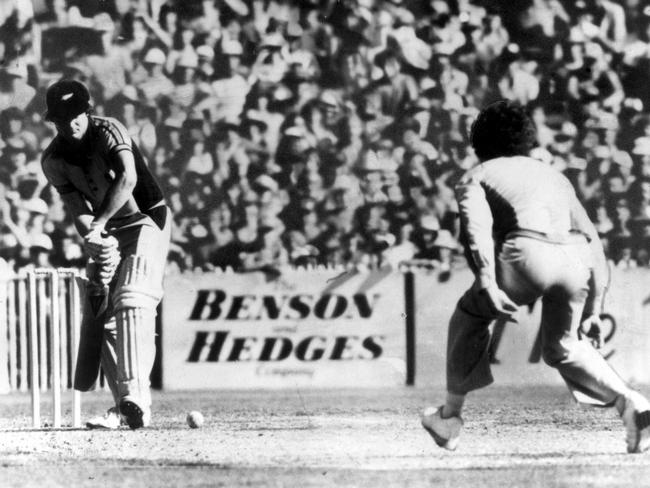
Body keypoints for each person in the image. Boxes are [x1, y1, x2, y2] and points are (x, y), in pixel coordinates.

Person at [420, 100, 650, 454]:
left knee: (470, 314)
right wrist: (594, 308)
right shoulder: (554, 176)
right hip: (576, 260)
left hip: (527, 252)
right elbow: (592, 240)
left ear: (478, 144)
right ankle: (630, 402)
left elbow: (476, 230)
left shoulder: (477, 175)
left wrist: (486, 280)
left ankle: (450, 417)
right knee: (565, 345)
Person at [40, 79, 171, 430]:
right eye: (61, 119)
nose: (70, 124)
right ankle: (128, 408)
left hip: (145, 219)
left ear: (87, 109)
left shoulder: (109, 129)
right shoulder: (53, 160)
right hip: (107, 231)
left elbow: (127, 180)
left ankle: (132, 399)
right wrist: (93, 238)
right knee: (106, 316)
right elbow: (75, 208)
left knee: (132, 298)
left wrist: (97, 225)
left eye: (75, 115)